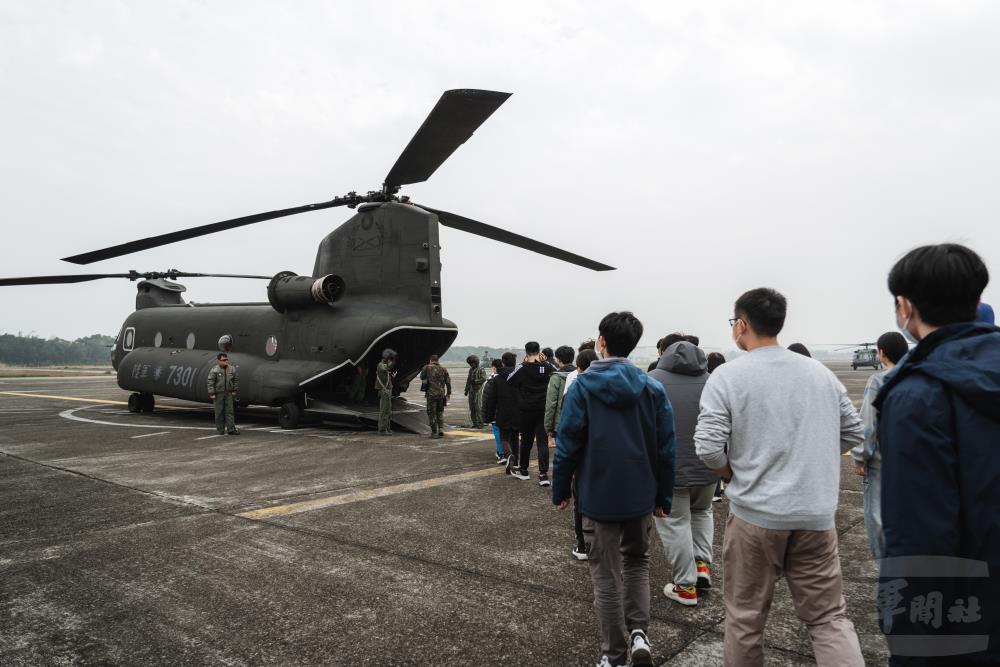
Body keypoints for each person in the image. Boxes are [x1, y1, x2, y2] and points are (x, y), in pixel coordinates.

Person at [695, 287, 865, 666]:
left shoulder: (728, 376)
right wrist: (812, 457)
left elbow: (707, 447)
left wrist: (732, 472)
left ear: (741, 325)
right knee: (829, 619)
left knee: (744, 619)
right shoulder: (819, 373)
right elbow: (855, 432)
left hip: (755, 514)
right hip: (817, 516)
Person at [873, 244, 1000, 665]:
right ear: (977, 300)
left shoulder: (916, 395)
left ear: (905, 306)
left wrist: (913, 646)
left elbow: (920, 538)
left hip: (968, 619)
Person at [553, 311, 676, 667]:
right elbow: (666, 447)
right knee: (637, 563)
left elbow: (568, 444)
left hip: (597, 495)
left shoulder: (582, 387)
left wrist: (560, 489)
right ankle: (640, 634)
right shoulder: (652, 387)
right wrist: (663, 496)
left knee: (605, 576)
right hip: (641, 495)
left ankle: (614, 654)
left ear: (600, 341)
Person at [648, 337, 717, 607]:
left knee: (674, 523)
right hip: (708, 466)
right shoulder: (713, 380)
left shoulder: (651, 380)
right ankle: (702, 566)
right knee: (703, 512)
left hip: (669, 469)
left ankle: (685, 586)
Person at [849, 331, 908, 561]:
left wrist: (859, 456)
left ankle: (888, 566)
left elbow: (868, 424)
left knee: (878, 516)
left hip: (882, 461)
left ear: (881, 353)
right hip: (912, 458)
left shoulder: (878, 380)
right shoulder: (917, 376)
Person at [506, 341, 553, 484]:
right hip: (543, 409)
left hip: (526, 410)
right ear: (540, 352)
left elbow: (510, 379)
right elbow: (555, 370)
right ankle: (543, 474)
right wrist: (546, 362)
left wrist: (522, 364)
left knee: (526, 441)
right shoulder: (547, 367)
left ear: (526, 353)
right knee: (542, 442)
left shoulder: (523, 368)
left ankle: (524, 470)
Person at [207, 352, 240, 435]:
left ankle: (231, 429)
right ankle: (220, 429)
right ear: (218, 361)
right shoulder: (215, 370)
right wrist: (212, 393)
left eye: (226, 359)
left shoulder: (232, 369)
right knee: (219, 412)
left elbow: (236, 380)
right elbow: (210, 381)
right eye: (223, 360)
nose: (226, 361)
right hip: (219, 394)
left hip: (228, 393)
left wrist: (234, 390)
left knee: (230, 412)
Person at [422, 354, 451, 438]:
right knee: (440, 412)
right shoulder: (443, 369)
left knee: (432, 413)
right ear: (438, 360)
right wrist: (448, 393)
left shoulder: (427, 367)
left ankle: (434, 432)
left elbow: (422, 377)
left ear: (430, 360)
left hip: (431, 395)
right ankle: (441, 429)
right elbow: (448, 382)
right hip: (441, 395)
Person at [482, 358, 506, 461]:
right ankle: (507, 452)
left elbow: (486, 399)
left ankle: (501, 453)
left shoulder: (491, 381)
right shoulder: (509, 379)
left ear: (494, 368)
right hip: (507, 411)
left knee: (497, 432)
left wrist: (485, 415)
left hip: (495, 412)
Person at [375, 348, 397, 435]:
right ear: (386, 358)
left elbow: (389, 367)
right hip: (384, 391)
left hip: (387, 390)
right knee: (384, 410)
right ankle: (382, 430)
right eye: (389, 358)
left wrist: (394, 360)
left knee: (388, 410)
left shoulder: (385, 364)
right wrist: (394, 360)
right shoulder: (380, 365)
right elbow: (387, 368)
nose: (390, 360)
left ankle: (387, 428)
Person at [464, 354, 488, 429]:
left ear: (476, 362)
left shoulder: (481, 369)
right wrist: (466, 389)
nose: (471, 365)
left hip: (478, 390)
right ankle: (475, 423)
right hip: (471, 391)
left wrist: (475, 381)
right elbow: (468, 380)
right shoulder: (471, 370)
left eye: (472, 363)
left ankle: (480, 423)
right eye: (470, 364)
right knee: (472, 408)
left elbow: (484, 378)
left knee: (478, 407)